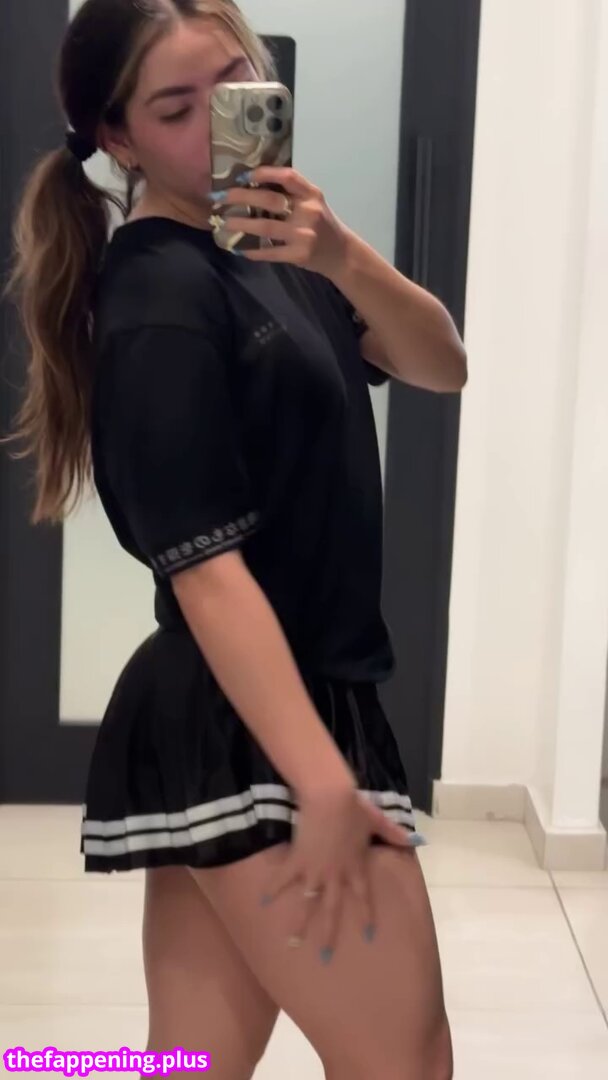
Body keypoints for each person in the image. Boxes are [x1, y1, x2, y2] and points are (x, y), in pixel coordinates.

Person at [5, 1, 466, 1076]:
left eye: (235, 81)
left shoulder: (274, 249)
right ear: (117, 140)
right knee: (404, 1062)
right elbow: (205, 572)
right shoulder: (159, 296)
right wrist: (318, 779)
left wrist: (341, 253)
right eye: (175, 108)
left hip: (268, 707)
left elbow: (440, 363)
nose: (217, 118)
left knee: (194, 1060)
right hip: (254, 718)